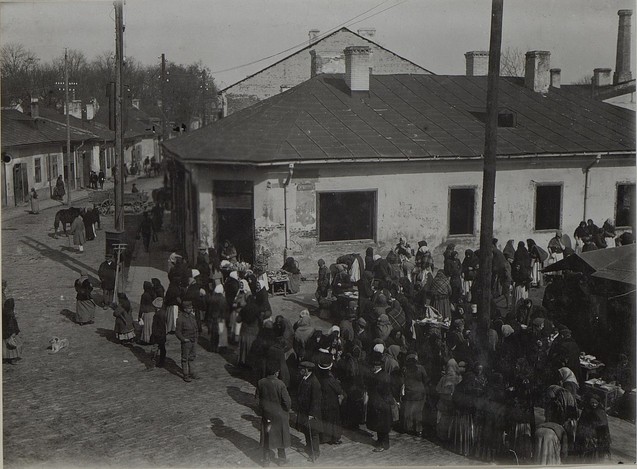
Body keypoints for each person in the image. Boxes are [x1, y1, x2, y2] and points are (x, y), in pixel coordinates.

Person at [257, 360, 292, 466]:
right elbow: (287, 402)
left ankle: (266, 460)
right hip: (279, 416)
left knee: (267, 437)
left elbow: (257, 399)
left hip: (267, 415)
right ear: (276, 372)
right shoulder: (280, 384)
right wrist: (285, 410)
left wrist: (263, 410)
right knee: (280, 437)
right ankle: (281, 459)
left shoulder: (261, 382)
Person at [366, 352, 394, 452]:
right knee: (379, 424)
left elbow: (386, 392)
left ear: (376, 366)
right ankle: (380, 441)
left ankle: (384, 444)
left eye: (372, 366)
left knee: (383, 426)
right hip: (377, 403)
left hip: (382, 404)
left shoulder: (383, 377)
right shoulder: (377, 375)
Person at [296, 361, 322, 462]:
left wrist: (312, 414)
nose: (300, 371)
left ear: (307, 370)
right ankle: (308, 447)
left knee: (313, 433)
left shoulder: (314, 383)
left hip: (311, 413)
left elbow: (316, 400)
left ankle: (315, 452)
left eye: (301, 369)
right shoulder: (304, 378)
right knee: (306, 430)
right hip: (304, 410)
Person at [317, 354, 345, 445]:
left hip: (322, 401)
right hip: (331, 403)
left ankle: (324, 437)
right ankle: (334, 438)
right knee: (333, 420)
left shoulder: (318, 376)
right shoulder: (330, 379)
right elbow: (338, 390)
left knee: (325, 419)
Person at [575, 394, 611, 461]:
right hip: (587, 437)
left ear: (598, 403)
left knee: (595, 457)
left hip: (597, 438)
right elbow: (581, 423)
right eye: (592, 403)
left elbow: (604, 427)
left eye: (595, 403)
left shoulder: (601, 412)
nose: (594, 405)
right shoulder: (586, 410)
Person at [400, 353, 429, 436]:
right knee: (418, 412)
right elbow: (426, 379)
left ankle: (409, 428)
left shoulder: (405, 369)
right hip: (420, 393)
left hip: (409, 393)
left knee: (409, 411)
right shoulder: (421, 368)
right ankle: (418, 430)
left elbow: (402, 381)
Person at [175, 300, 199, 382]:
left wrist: (196, 337)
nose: (191, 309)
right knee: (185, 358)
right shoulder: (180, 319)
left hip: (193, 340)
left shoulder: (192, 316)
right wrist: (183, 339)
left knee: (192, 357)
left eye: (191, 307)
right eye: (189, 308)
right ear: (185, 309)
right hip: (186, 342)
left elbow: (196, 327)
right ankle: (186, 374)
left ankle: (192, 372)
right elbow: (177, 332)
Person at [2, 298, 23, 364]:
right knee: (12, 346)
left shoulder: (3, 312)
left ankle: (5, 358)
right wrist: (15, 331)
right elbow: (12, 324)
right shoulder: (10, 314)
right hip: (10, 333)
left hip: (4, 333)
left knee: (5, 346)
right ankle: (12, 359)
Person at [149, 297, 167, 368]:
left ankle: (152, 363)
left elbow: (155, 327)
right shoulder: (163, 313)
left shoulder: (157, 315)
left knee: (154, 349)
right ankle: (162, 362)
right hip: (162, 334)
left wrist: (154, 334)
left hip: (157, 335)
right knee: (162, 348)